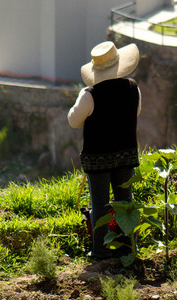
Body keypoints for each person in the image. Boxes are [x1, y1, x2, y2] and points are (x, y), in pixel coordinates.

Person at [68, 41, 141, 260]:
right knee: (124, 201)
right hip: (126, 154)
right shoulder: (132, 87)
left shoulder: (89, 94)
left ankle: (100, 251)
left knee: (100, 204)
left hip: (97, 159)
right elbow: (135, 113)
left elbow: (74, 121)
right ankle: (127, 247)